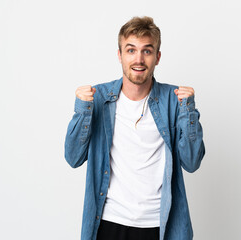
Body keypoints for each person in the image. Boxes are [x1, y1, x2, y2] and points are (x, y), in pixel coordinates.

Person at [65, 16, 205, 240]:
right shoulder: (98, 97)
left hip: (159, 225)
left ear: (157, 57)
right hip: (110, 222)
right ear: (119, 55)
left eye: (147, 51)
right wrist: (83, 109)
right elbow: (73, 157)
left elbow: (191, 162)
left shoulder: (174, 100)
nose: (138, 59)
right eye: (131, 50)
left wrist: (188, 110)